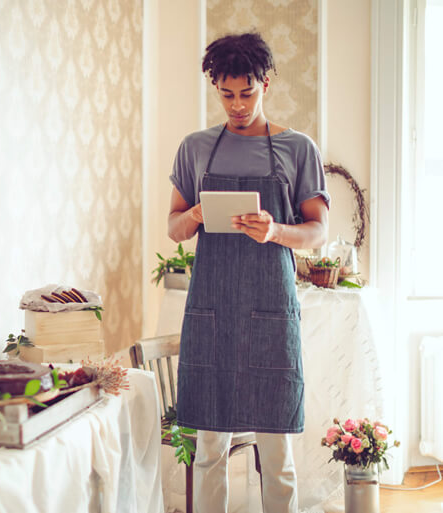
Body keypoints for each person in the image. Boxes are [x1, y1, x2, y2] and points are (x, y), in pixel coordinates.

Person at [168, 32, 330, 513]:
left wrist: (275, 231)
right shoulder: (195, 148)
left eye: (248, 92)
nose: (237, 105)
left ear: (266, 83)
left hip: (270, 313)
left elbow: (318, 231)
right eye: (226, 93)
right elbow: (174, 228)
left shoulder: (298, 148)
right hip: (212, 311)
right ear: (214, 87)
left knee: (276, 455)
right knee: (209, 451)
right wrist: (197, 214)